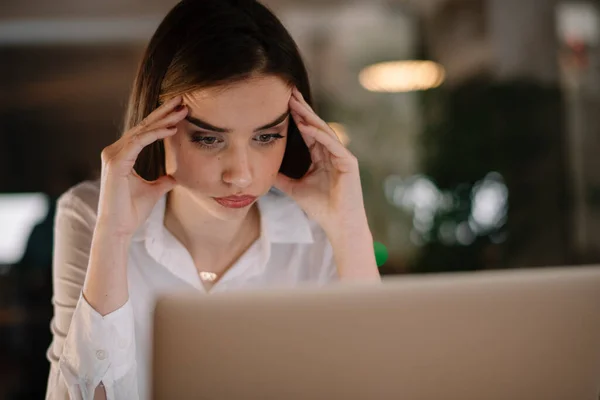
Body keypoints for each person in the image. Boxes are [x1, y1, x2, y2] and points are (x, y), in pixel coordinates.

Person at [45, 0, 380, 399]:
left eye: (267, 136)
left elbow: (377, 385)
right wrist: (113, 236)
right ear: (156, 125)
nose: (240, 174)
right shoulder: (88, 213)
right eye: (208, 138)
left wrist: (349, 230)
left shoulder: (318, 229)